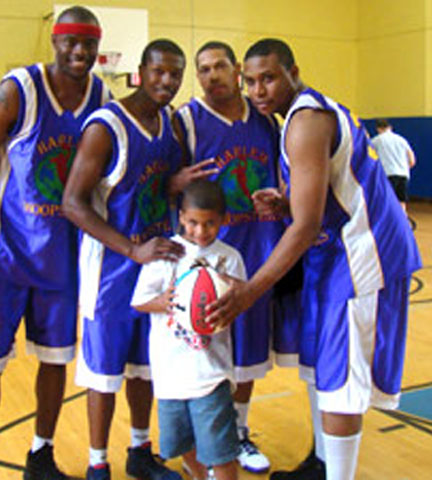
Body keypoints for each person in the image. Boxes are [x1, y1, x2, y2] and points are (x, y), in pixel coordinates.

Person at [207, 38, 422, 480]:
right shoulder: (304, 114)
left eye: (268, 78)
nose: (258, 90)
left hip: (364, 255)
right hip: (336, 252)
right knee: (321, 364)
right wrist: (287, 204)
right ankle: (321, 464)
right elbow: (325, 197)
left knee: (342, 378)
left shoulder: (306, 121)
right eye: (250, 82)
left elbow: (305, 228)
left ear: (293, 71)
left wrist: (249, 291)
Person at [0, 6, 110, 480]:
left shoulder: (102, 95)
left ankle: (40, 454)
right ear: (55, 42)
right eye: (71, 43)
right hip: (6, 256)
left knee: (55, 361)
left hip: (64, 259)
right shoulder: (17, 90)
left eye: (89, 44)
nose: (80, 52)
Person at [172, 41, 301, 474]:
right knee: (205, 350)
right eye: (204, 69)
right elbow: (166, 183)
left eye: (221, 66)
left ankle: (238, 433)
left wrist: (283, 199)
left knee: (247, 353)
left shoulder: (266, 116)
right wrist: (175, 183)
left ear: (237, 69)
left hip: (260, 248)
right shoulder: (186, 120)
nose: (213, 75)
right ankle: (207, 436)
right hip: (208, 255)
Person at [61, 39, 187, 480]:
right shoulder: (106, 125)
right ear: (140, 71)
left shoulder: (170, 124)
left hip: (155, 262)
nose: (167, 82)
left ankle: (139, 451)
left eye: (175, 74)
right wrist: (132, 249)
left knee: (144, 366)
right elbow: (73, 203)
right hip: (112, 266)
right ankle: (98, 462)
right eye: (159, 72)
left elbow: (153, 186)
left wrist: (174, 186)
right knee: (103, 371)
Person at [131, 180, 246, 480]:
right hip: (170, 374)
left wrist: (227, 288)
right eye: (193, 222)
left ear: (223, 220)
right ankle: (197, 475)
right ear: (181, 216)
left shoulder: (229, 258)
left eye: (210, 223)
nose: (200, 231)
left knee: (221, 452)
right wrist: (164, 301)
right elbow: (139, 301)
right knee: (183, 444)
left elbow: (243, 299)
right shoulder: (166, 252)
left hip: (211, 373)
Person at [371, 118, 416, 212]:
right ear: (390, 127)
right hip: (404, 174)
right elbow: (412, 160)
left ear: (378, 129)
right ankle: (403, 222)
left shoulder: (376, 140)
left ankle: (387, 224)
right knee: (401, 201)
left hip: (388, 173)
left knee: (386, 200)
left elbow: (369, 155)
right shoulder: (402, 140)